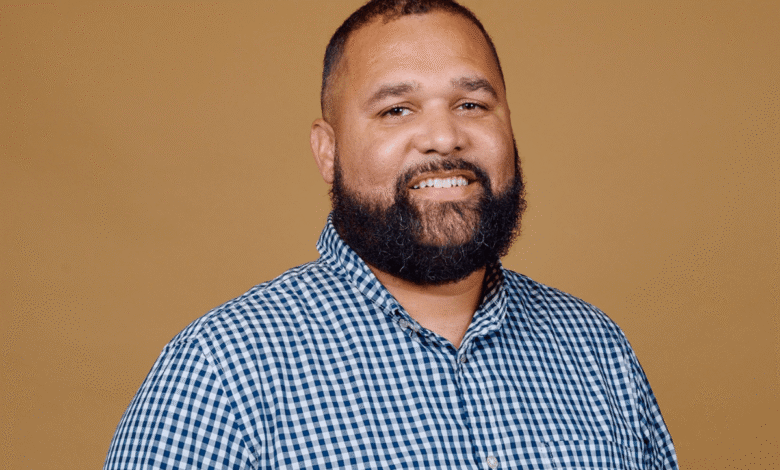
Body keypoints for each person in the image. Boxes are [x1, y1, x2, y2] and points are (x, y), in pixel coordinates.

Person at [105, 0, 678, 468]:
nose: (444, 137)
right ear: (327, 151)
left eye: (472, 103)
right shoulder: (221, 372)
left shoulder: (597, 350)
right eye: (397, 110)